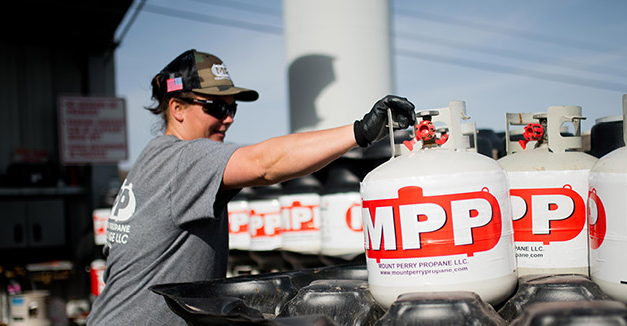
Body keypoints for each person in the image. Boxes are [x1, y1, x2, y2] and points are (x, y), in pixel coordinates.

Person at [86, 49, 415, 325]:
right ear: (177, 108)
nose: (228, 118)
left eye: (232, 108)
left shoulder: (151, 159)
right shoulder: (184, 159)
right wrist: (361, 132)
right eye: (215, 107)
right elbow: (265, 164)